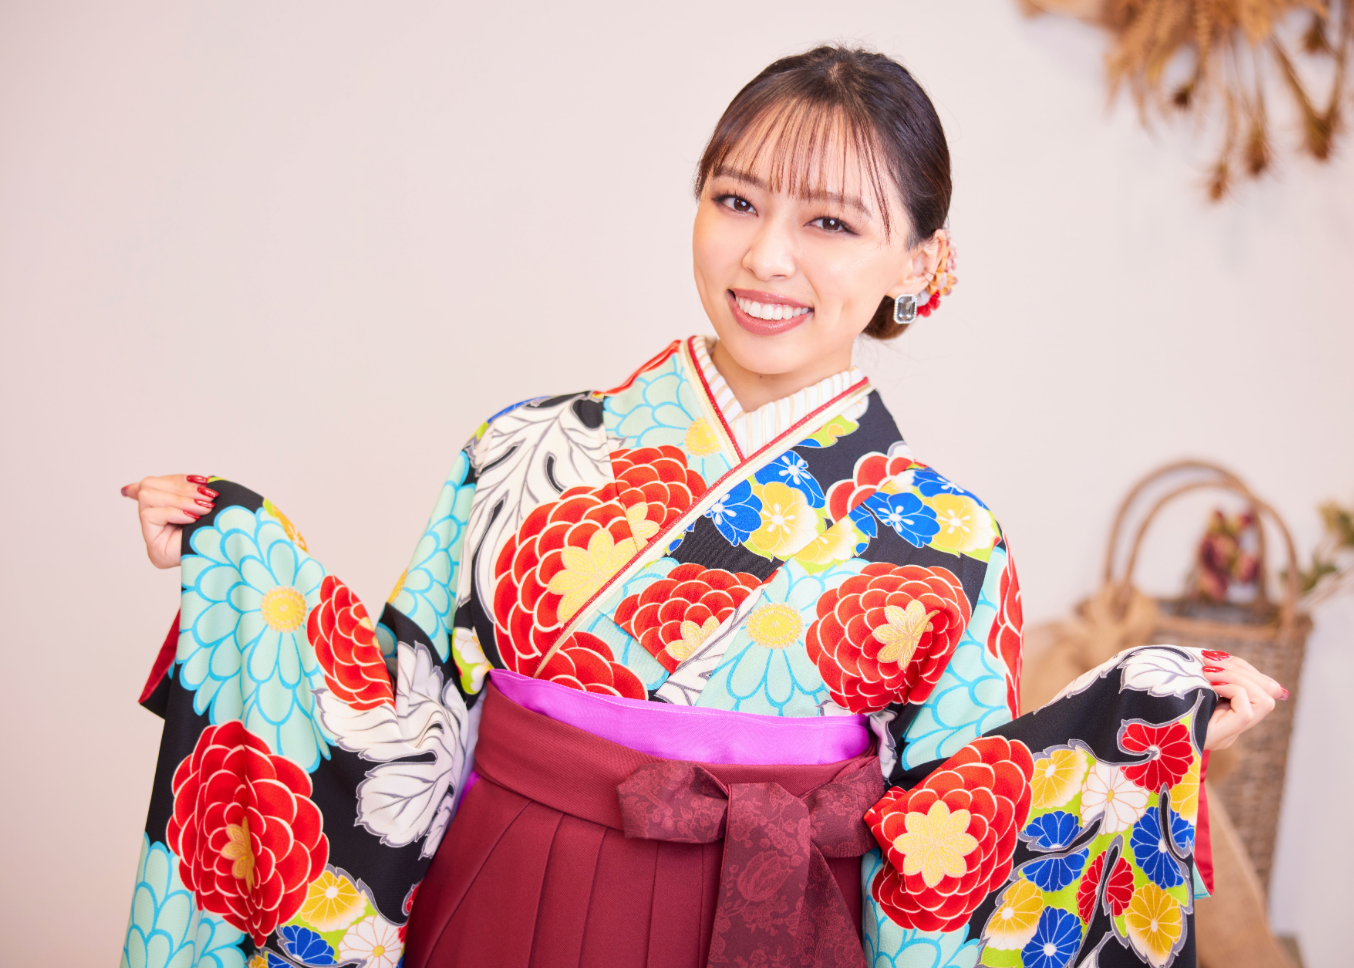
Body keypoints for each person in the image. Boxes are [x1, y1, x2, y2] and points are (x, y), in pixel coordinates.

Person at [119, 46, 1284, 968]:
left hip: (778, 928)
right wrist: (243, 557)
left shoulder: (951, 541)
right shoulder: (523, 449)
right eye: (736, 200)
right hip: (505, 900)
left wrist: (1147, 727)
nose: (766, 256)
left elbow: (953, 834)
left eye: (830, 222)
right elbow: (402, 711)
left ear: (918, 264)